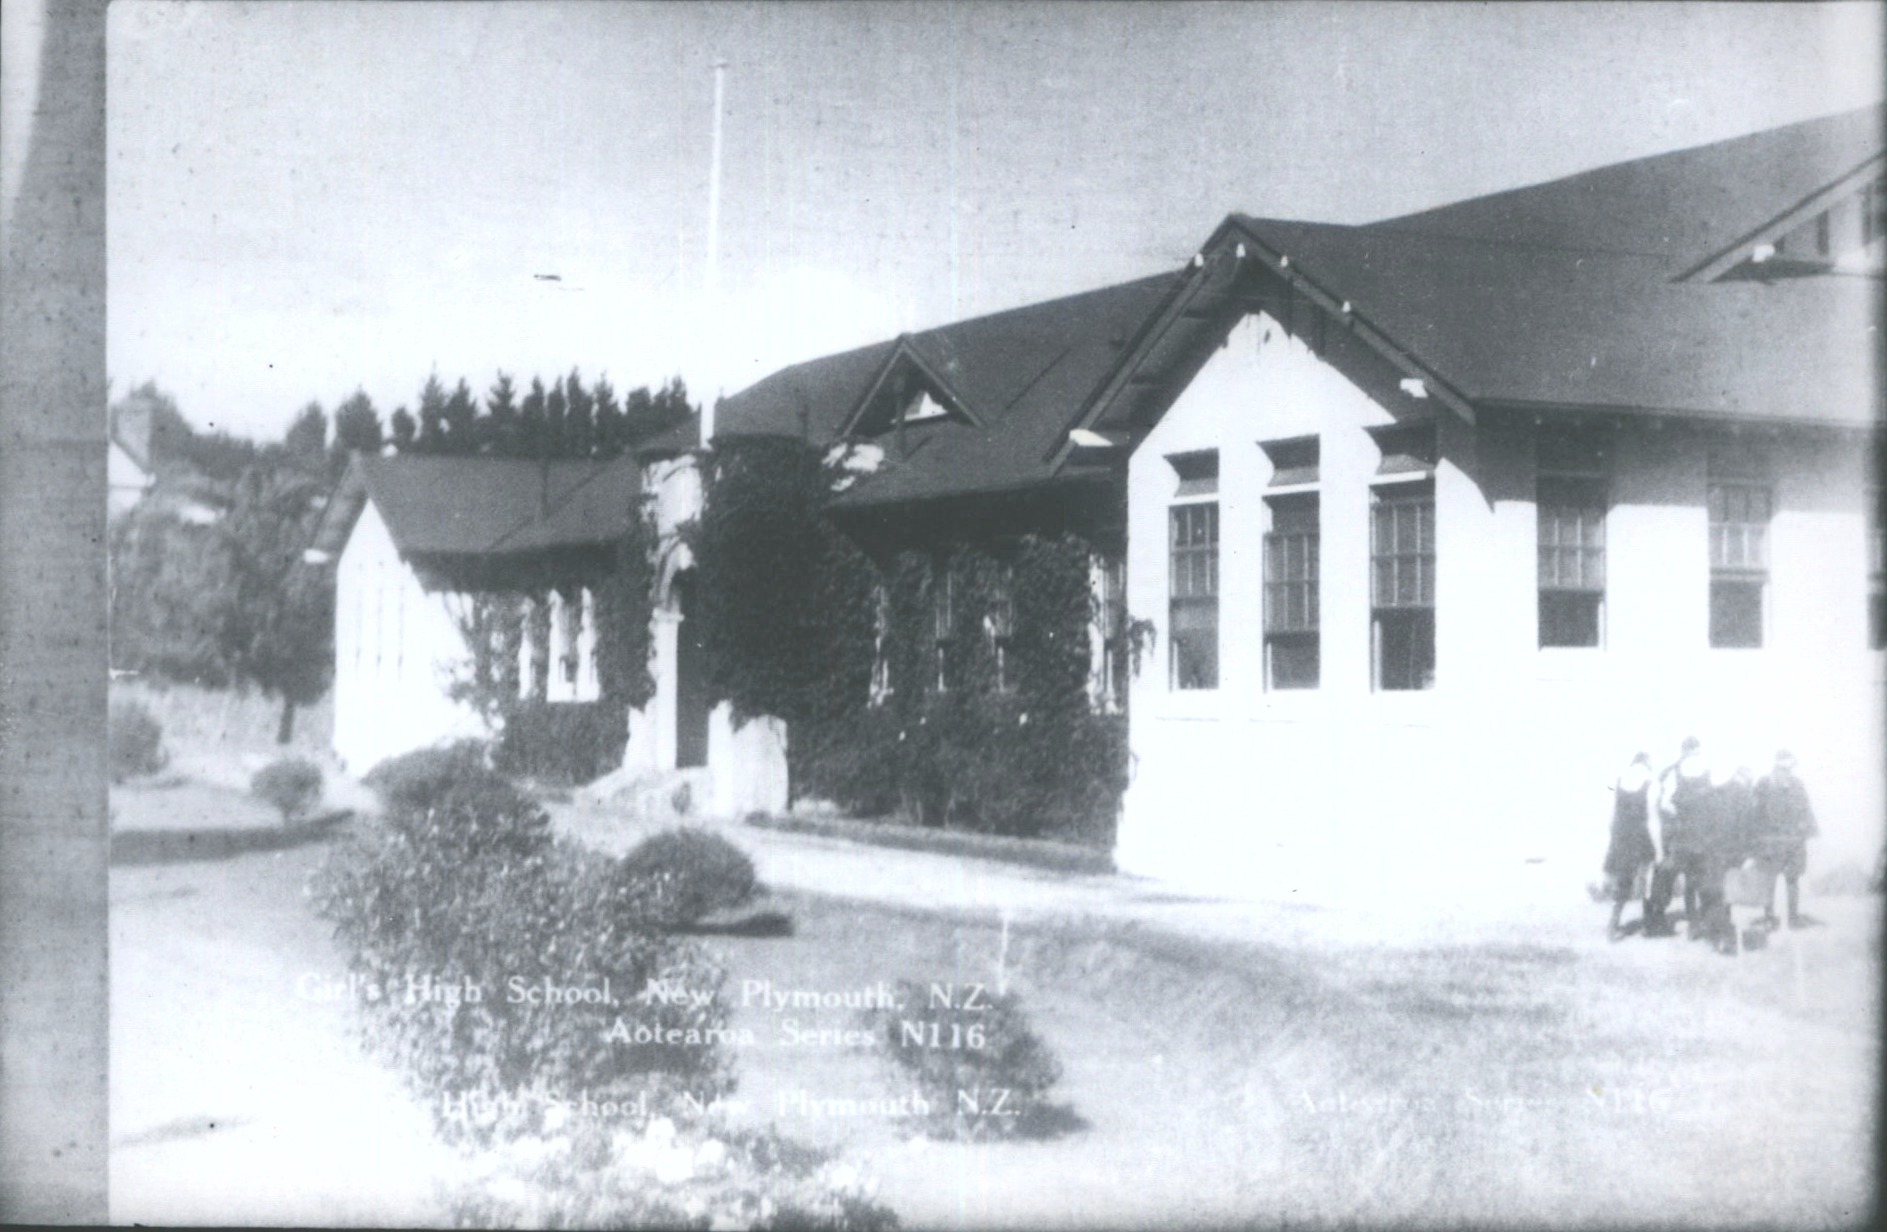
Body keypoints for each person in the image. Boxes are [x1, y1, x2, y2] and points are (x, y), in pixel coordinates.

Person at [1647, 737, 1710, 938]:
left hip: (1688, 834)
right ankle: (1665, 922)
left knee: (1686, 878)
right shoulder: (1681, 772)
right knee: (1677, 878)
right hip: (1683, 835)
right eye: (1694, 753)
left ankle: (1688, 923)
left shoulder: (1683, 772)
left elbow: (1663, 804)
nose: (1695, 757)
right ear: (1687, 752)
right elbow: (1664, 804)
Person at [1754, 750, 1819, 928]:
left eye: (1787, 769)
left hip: (1781, 842)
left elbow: (1805, 810)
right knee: (1782, 881)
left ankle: (1780, 918)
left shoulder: (1774, 783)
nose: (1785, 772)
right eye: (1784, 768)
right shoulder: (1773, 783)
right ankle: (1785, 918)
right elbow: (1806, 812)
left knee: (1781, 880)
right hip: (1783, 841)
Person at [1603, 753, 1658, 940]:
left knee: (1622, 881)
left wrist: (1614, 839)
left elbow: (1611, 816)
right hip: (1641, 836)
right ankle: (1648, 925)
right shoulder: (1650, 782)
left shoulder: (1618, 781)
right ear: (1647, 763)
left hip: (1621, 836)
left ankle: (1613, 924)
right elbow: (1652, 817)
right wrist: (1658, 848)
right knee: (1646, 879)